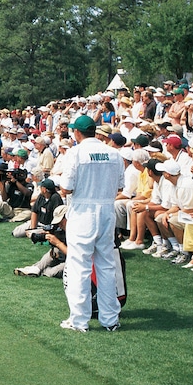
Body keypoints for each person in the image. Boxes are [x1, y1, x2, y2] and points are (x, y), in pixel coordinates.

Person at [60, 114, 126, 333]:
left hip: (83, 211)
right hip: (106, 210)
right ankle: (110, 319)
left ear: (77, 133)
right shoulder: (114, 154)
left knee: (79, 265)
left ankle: (79, 320)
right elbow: (120, 187)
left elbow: (66, 188)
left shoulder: (75, 153)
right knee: (106, 265)